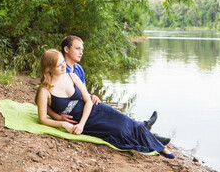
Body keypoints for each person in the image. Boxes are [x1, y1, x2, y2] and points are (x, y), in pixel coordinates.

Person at [36, 49, 175, 159]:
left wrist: (81, 124)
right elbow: (42, 119)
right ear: (48, 68)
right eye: (59, 64)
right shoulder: (44, 90)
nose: (63, 66)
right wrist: (62, 122)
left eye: (63, 62)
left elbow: (88, 100)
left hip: (93, 110)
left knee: (127, 122)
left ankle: (161, 148)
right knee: (119, 132)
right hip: (78, 120)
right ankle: (154, 141)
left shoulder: (72, 76)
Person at [48, 35, 170, 145]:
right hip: (76, 114)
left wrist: (91, 96)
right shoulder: (59, 70)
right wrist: (57, 117)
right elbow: (44, 98)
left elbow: (82, 92)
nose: (81, 52)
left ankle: (144, 127)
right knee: (115, 126)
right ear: (66, 49)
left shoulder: (78, 69)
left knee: (114, 115)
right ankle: (149, 135)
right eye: (77, 49)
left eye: (82, 49)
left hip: (86, 106)